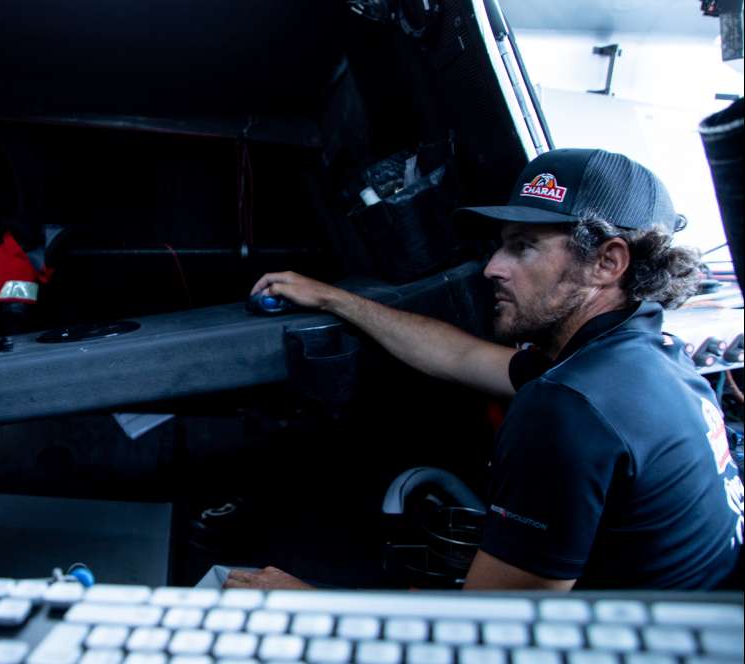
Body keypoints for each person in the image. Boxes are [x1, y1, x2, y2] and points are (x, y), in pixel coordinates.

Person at [231, 148, 744, 590]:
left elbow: (490, 633)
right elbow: (459, 357)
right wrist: (331, 297)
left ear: (607, 263)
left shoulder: (571, 407)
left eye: (524, 246)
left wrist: (309, 604)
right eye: (500, 245)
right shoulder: (644, 357)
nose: (492, 267)